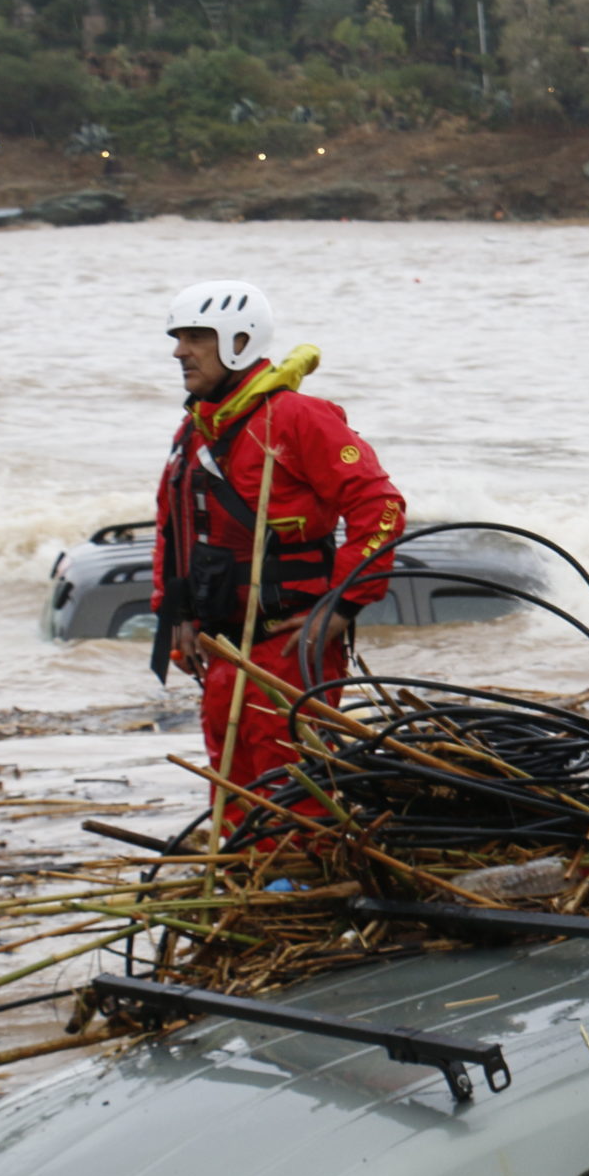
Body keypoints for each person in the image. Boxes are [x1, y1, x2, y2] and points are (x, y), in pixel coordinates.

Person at [151, 280, 405, 818]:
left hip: (288, 649)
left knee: (291, 789)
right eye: (178, 337)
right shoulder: (195, 430)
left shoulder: (296, 418)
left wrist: (342, 604)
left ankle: (292, 884)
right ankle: (246, 877)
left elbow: (379, 507)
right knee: (232, 789)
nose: (179, 351)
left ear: (238, 341)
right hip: (223, 647)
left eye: (195, 337)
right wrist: (177, 615)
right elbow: (173, 529)